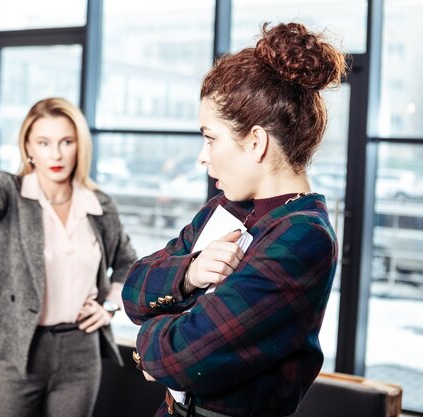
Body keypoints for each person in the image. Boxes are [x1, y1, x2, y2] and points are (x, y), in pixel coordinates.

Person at [121, 22, 348, 417]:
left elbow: (188, 355)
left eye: (210, 138)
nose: (202, 157)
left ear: (256, 142)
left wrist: (145, 343)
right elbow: (134, 289)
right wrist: (189, 274)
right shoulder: (226, 207)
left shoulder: (303, 235)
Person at [0, 97, 137, 417]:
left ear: (80, 146)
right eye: (44, 143)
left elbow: (127, 261)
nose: (56, 154)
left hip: (80, 350)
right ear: (28, 148)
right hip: (16, 347)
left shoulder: (99, 204)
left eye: (66, 142)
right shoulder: (10, 192)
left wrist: (110, 306)